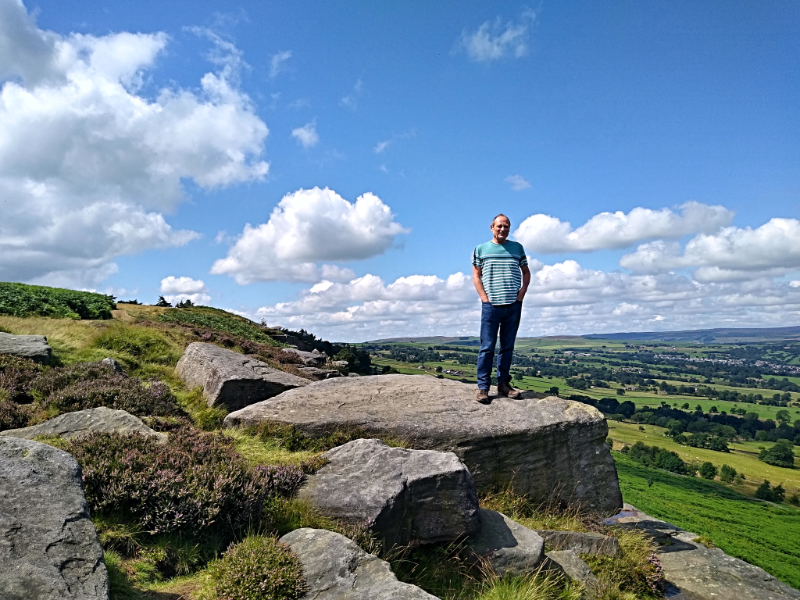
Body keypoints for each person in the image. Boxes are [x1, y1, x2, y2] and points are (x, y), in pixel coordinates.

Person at [472, 214, 531, 403]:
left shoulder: (517, 248)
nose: (503, 229)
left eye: (506, 226)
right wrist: (484, 298)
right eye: (499, 226)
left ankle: (504, 384)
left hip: (513, 305)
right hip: (491, 305)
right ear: (492, 227)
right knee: (487, 347)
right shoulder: (481, 249)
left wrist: (521, 295)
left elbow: (526, 272)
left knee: (507, 347)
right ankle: (483, 387)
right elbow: (476, 275)